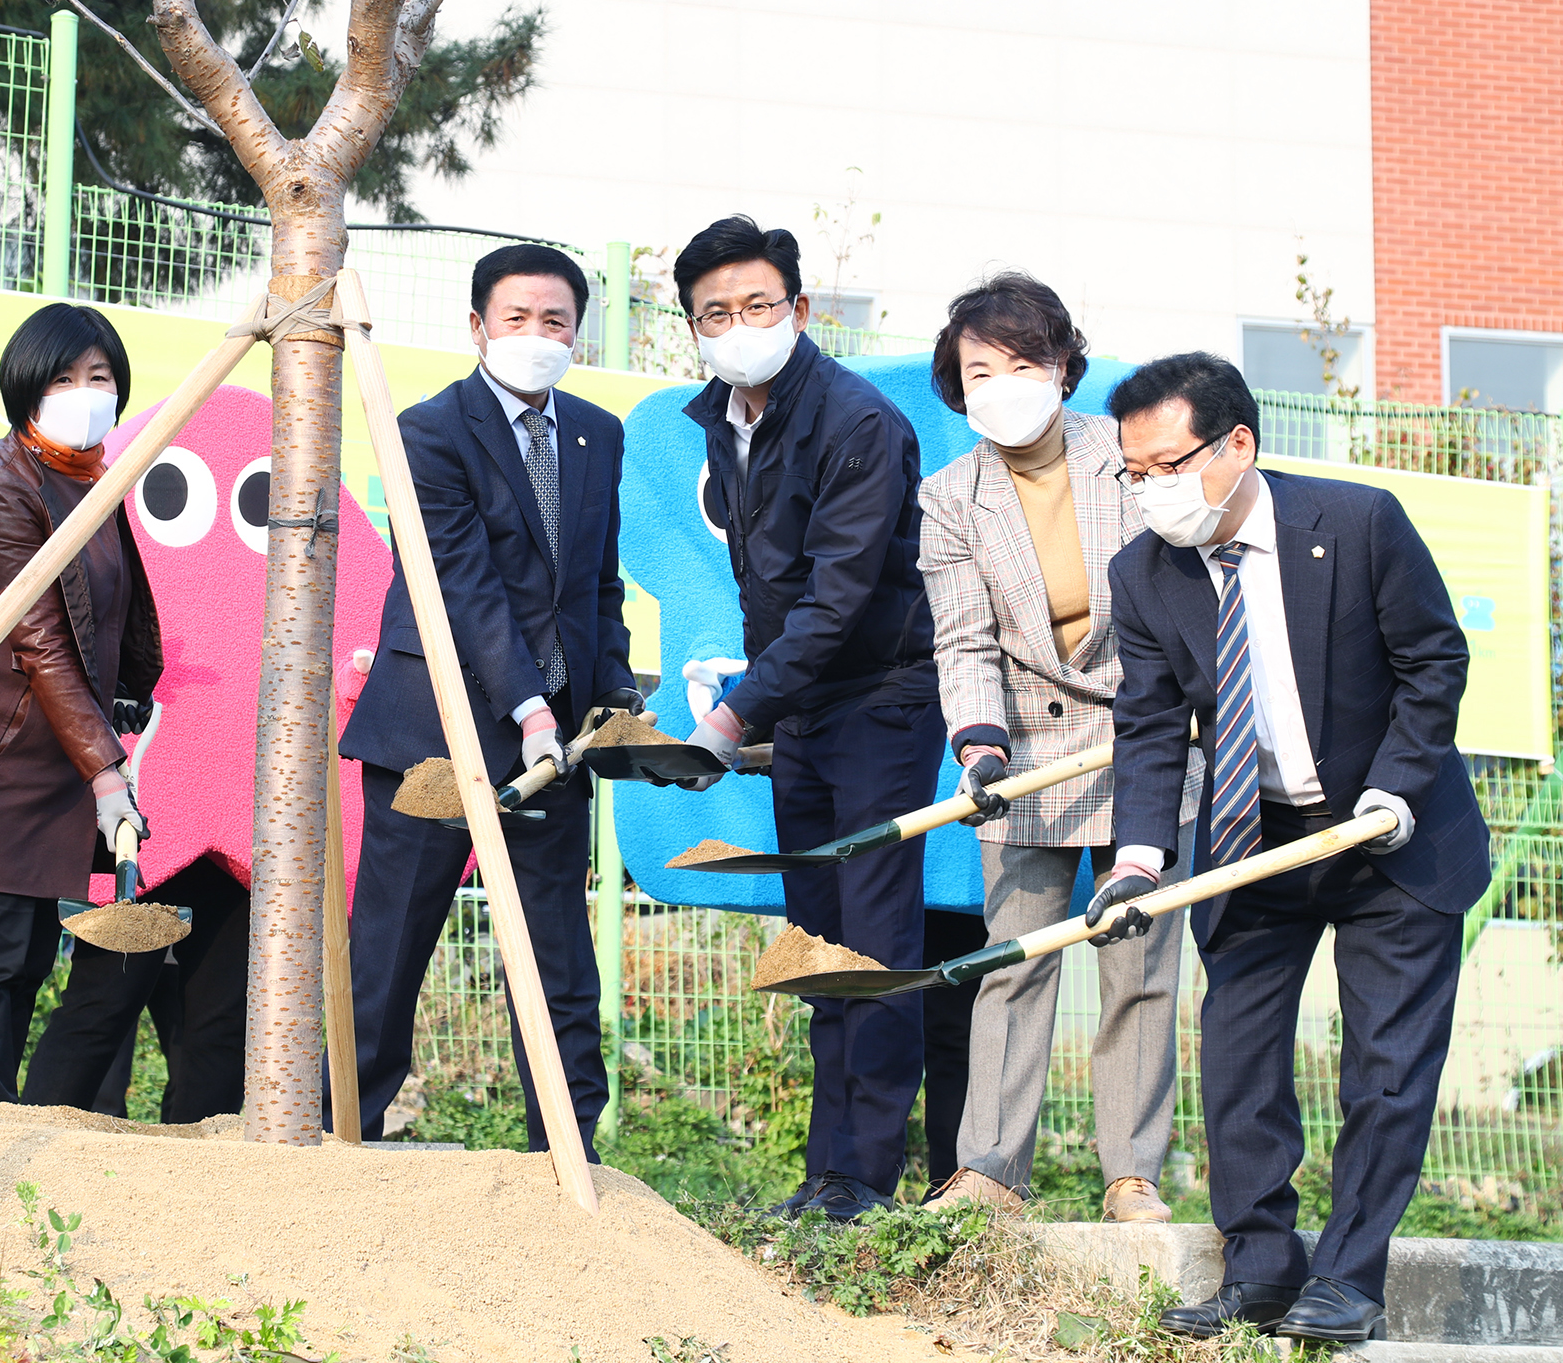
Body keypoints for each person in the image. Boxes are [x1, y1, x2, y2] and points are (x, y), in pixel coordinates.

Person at [1093, 354, 1489, 1342]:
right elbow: (1146, 731)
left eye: (1168, 464)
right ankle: (1263, 1268)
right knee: (1238, 1062)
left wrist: (1396, 788)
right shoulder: (1144, 573)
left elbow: (1433, 660)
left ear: (1239, 444)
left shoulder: (1356, 525)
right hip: (1253, 834)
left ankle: (1348, 1279)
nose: (1151, 491)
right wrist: (1139, 858)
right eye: (1132, 472)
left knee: (1384, 1069)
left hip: (1391, 835)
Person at [335, 243, 644, 1159]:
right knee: (391, 946)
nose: (537, 336)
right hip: (432, 731)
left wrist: (612, 696)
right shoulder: (428, 430)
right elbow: (461, 585)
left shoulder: (597, 433)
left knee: (555, 957)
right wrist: (527, 706)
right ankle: (342, 1127)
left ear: (576, 333)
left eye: (556, 321)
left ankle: (565, 1148)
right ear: (477, 327)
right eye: (518, 318)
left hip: (552, 750)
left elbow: (594, 585)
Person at [675, 215, 942, 1219]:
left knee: (872, 940)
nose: (739, 324)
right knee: (817, 939)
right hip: (806, 708)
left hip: (881, 700)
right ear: (692, 326)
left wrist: (737, 715)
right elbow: (768, 595)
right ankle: (825, 1170)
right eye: (716, 312)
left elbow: (838, 601)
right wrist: (756, 699)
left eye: (757, 304)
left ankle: (865, 1177)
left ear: (798, 307)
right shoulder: (727, 422)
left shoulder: (857, 422)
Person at [916, 274, 1196, 1223]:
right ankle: (990, 1172)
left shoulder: (1126, 456)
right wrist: (981, 744)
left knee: (1140, 961)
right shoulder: (950, 497)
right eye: (979, 368)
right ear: (956, 384)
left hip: (1146, 735)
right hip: (1028, 747)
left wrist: (1177, 713)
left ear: (1065, 367)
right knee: (1016, 955)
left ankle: (1131, 1173)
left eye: (1023, 363)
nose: (1002, 383)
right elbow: (963, 640)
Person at [0, 302, 164, 1104]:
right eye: (63, 378)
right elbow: (42, 643)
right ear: (25, 388)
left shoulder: (95, 474)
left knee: (24, 963)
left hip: (62, 755)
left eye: (100, 378)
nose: (85, 393)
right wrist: (107, 775)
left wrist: (134, 705)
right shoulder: (0, 493)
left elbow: (130, 618)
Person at [24, 853, 250, 1123]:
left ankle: (203, 1160)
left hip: (239, 855)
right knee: (98, 1009)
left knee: (224, 1026)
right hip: (145, 847)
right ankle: (38, 1138)